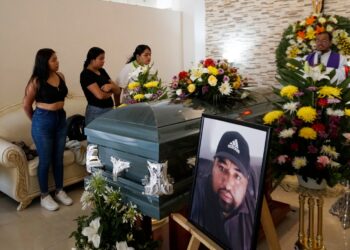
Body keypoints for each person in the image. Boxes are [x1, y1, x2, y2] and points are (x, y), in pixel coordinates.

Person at [23, 48, 73, 211]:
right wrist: (36, 121)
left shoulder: (61, 76)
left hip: (60, 119)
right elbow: (26, 105)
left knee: (57, 158)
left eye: (57, 58)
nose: (57, 62)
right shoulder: (36, 81)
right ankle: (44, 195)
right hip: (43, 120)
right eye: (53, 60)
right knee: (45, 160)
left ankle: (59, 190)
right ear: (44, 62)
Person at [190, 131, 257, 250]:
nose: (227, 185)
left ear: (247, 181)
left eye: (237, 176)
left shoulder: (254, 211)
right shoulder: (197, 191)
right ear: (213, 166)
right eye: (221, 168)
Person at [80, 47, 121, 125]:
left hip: (109, 109)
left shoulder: (102, 71)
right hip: (96, 111)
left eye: (104, 59)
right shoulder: (86, 74)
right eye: (101, 59)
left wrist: (110, 87)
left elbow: (118, 90)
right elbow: (100, 96)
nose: (103, 61)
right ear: (92, 60)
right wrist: (112, 91)